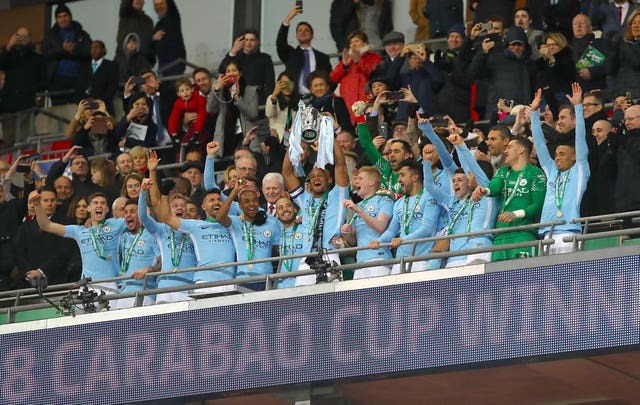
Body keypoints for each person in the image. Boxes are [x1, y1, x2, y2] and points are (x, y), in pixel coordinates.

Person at [282, 136, 350, 286]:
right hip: (306, 258)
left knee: (331, 303)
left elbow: (341, 165)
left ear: (330, 179)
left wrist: (330, 135)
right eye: (312, 177)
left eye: (320, 175)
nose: (315, 179)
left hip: (329, 255)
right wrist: (293, 140)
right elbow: (287, 172)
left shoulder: (338, 195)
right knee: (302, 303)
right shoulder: (304, 199)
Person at [531, 84, 589, 254]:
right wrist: (534, 114)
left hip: (569, 233)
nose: (557, 157)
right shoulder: (551, 171)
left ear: (574, 156)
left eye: (562, 154)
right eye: (556, 154)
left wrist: (578, 107)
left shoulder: (579, 170)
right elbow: (540, 145)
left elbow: (580, 137)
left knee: (569, 279)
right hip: (545, 234)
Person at [33, 191, 125, 297]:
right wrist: (37, 205)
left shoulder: (116, 224)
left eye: (103, 203)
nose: (99, 205)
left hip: (112, 284)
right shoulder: (78, 231)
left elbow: (140, 218)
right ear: (89, 208)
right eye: (95, 203)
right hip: (87, 286)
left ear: (107, 209)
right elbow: (46, 225)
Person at [471, 136, 546, 261]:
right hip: (500, 236)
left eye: (509, 147)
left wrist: (515, 214)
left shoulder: (535, 173)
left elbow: (538, 204)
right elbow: (495, 186)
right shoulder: (502, 171)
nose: (505, 151)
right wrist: (485, 191)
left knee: (524, 277)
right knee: (498, 280)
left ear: (521, 149)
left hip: (523, 234)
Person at [370, 159, 440, 273]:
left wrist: (403, 240)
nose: (399, 180)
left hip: (422, 259)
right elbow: (392, 230)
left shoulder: (429, 197)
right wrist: (379, 241)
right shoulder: (399, 203)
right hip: (400, 260)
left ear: (414, 177)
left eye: (402, 175)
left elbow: (427, 229)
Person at [139, 175, 196, 304]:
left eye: (182, 205)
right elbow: (142, 216)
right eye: (175, 206)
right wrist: (143, 192)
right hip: (166, 287)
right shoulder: (161, 229)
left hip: (189, 286)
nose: (179, 208)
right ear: (169, 210)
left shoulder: (193, 230)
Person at [216, 179, 281, 291]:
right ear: (240, 205)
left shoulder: (272, 224)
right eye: (246, 201)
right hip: (243, 279)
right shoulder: (235, 222)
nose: (251, 204)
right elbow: (220, 217)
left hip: (266, 277)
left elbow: (281, 253)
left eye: (254, 201)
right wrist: (234, 191)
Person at [14, 186, 79, 289]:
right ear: (38, 201)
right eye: (45, 200)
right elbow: (19, 252)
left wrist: (41, 271)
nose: (49, 204)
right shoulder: (25, 226)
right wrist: (28, 273)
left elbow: (65, 251)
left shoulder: (67, 223)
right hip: (29, 283)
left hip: (58, 281)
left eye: (52, 200)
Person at [470, 26, 536, 120]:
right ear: (507, 45)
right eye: (513, 45)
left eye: (519, 45)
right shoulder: (495, 59)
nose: (516, 48)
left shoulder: (530, 63)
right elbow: (474, 72)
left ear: (525, 46)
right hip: (498, 112)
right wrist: (482, 53)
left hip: (523, 111)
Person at [340, 167, 393, 278]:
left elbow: (380, 226)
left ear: (371, 182)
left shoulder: (384, 200)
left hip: (379, 258)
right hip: (360, 261)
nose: (356, 181)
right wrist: (348, 233)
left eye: (360, 178)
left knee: (380, 295)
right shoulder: (358, 206)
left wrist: (359, 211)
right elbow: (353, 242)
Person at [353, 100, 413, 194]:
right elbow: (367, 144)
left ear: (406, 155)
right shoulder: (384, 167)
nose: (391, 155)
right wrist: (359, 116)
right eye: (390, 152)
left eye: (396, 151)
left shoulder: (414, 174)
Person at [0, 27, 46, 146]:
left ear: (30, 39)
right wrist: (8, 46)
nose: (22, 39)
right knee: (9, 141)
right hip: (8, 105)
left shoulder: (37, 58)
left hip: (27, 104)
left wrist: (38, 95)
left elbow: (43, 81)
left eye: (25, 37)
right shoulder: (8, 55)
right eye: (19, 36)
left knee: (28, 141)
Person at [41, 3, 92, 105]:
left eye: (65, 16)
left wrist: (74, 49)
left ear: (70, 17)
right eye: (59, 17)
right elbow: (45, 54)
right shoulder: (50, 35)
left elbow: (90, 51)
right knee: (59, 110)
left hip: (79, 78)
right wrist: (62, 50)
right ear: (56, 19)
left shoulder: (82, 34)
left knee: (80, 110)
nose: (63, 19)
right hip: (57, 80)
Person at [206, 60, 259, 157]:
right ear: (224, 75)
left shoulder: (251, 90)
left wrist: (237, 98)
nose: (231, 73)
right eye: (228, 71)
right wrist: (216, 90)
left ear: (240, 73)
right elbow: (210, 109)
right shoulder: (220, 91)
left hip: (245, 138)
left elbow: (253, 114)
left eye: (234, 70)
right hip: (225, 139)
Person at [276, 5, 332, 94]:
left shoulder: (323, 58)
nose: (303, 32)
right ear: (296, 35)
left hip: (316, 100)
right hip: (295, 100)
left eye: (306, 30)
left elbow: (329, 81)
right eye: (300, 30)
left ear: (312, 35)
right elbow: (280, 43)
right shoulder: (290, 54)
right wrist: (288, 19)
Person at [116, 198, 160, 309]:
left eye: (132, 211)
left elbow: (164, 263)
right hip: (123, 293)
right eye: (125, 212)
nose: (128, 215)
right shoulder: (123, 237)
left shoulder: (152, 235)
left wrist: (149, 269)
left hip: (145, 293)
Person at [330, 30, 382, 124]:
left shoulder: (374, 57)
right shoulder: (347, 60)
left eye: (357, 41)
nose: (353, 44)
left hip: (367, 103)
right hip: (348, 105)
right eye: (351, 42)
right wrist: (344, 66)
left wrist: (359, 62)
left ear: (365, 43)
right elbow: (332, 79)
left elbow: (374, 75)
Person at [219, 28, 275, 105]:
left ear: (257, 42)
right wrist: (233, 51)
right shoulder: (236, 57)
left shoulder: (265, 58)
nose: (248, 43)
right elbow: (221, 70)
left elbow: (270, 82)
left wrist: (269, 102)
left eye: (252, 40)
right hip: (235, 99)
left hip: (257, 100)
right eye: (246, 40)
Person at [433, 24, 474, 123]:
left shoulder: (469, 56)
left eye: (458, 37)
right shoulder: (443, 57)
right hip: (443, 102)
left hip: (461, 101)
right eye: (451, 36)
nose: (454, 39)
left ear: (463, 40)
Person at [536, 32, 577, 114]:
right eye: (548, 45)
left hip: (563, 96)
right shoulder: (541, 63)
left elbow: (566, 75)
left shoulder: (568, 60)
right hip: (545, 98)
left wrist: (551, 59)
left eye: (555, 44)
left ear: (561, 45)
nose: (551, 47)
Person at [570, 14, 611, 93]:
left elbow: (612, 64)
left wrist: (592, 72)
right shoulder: (568, 48)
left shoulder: (602, 43)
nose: (578, 26)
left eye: (582, 23)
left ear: (590, 27)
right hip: (576, 94)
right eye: (575, 24)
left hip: (598, 90)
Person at [79, 41, 119, 115]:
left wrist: (98, 102)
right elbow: (80, 86)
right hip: (87, 109)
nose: (93, 50)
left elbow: (112, 87)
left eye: (96, 47)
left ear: (103, 50)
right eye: (92, 48)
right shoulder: (84, 66)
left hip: (105, 107)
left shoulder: (111, 66)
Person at [614, 104, 640, 216]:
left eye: (631, 119)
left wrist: (624, 141)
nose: (627, 123)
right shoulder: (624, 141)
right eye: (625, 120)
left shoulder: (625, 141)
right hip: (624, 203)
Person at [609, 8, 640, 98]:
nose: (636, 26)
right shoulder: (624, 45)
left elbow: (637, 62)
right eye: (633, 23)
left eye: (639, 23)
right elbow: (611, 69)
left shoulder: (625, 46)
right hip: (622, 94)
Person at [151, 0, 186, 76]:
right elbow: (152, 47)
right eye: (156, 5)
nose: (159, 6)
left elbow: (171, 5)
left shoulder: (173, 17)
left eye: (161, 4)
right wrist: (153, 39)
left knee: (174, 86)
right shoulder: (158, 25)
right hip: (163, 66)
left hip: (176, 63)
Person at [168, 77, 206, 145]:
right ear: (178, 94)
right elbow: (173, 118)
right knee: (183, 143)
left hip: (202, 125)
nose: (185, 92)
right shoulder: (178, 103)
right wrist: (173, 134)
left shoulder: (199, 99)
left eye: (187, 89)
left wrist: (197, 132)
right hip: (189, 127)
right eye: (182, 91)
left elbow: (202, 115)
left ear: (192, 89)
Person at [116, 0, 155, 67]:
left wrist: (151, 60)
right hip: (124, 59)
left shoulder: (148, 20)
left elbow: (150, 42)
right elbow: (125, 4)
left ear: (143, 2)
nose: (138, 1)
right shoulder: (126, 14)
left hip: (143, 62)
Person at [266, 71, 299, 142]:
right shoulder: (272, 99)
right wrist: (274, 95)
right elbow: (269, 114)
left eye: (289, 84)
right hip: (278, 139)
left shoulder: (298, 100)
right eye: (283, 84)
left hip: (294, 140)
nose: (287, 87)